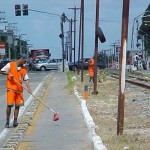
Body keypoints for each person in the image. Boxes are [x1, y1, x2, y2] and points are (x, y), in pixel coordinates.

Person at [0, 54, 32, 128]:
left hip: (19, 90)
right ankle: (7, 121)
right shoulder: (10, 64)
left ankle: (15, 121)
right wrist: (8, 73)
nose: (25, 62)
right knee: (10, 105)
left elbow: (26, 79)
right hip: (11, 89)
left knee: (17, 106)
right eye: (24, 60)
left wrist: (29, 88)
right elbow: (1, 71)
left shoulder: (24, 69)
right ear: (21, 59)